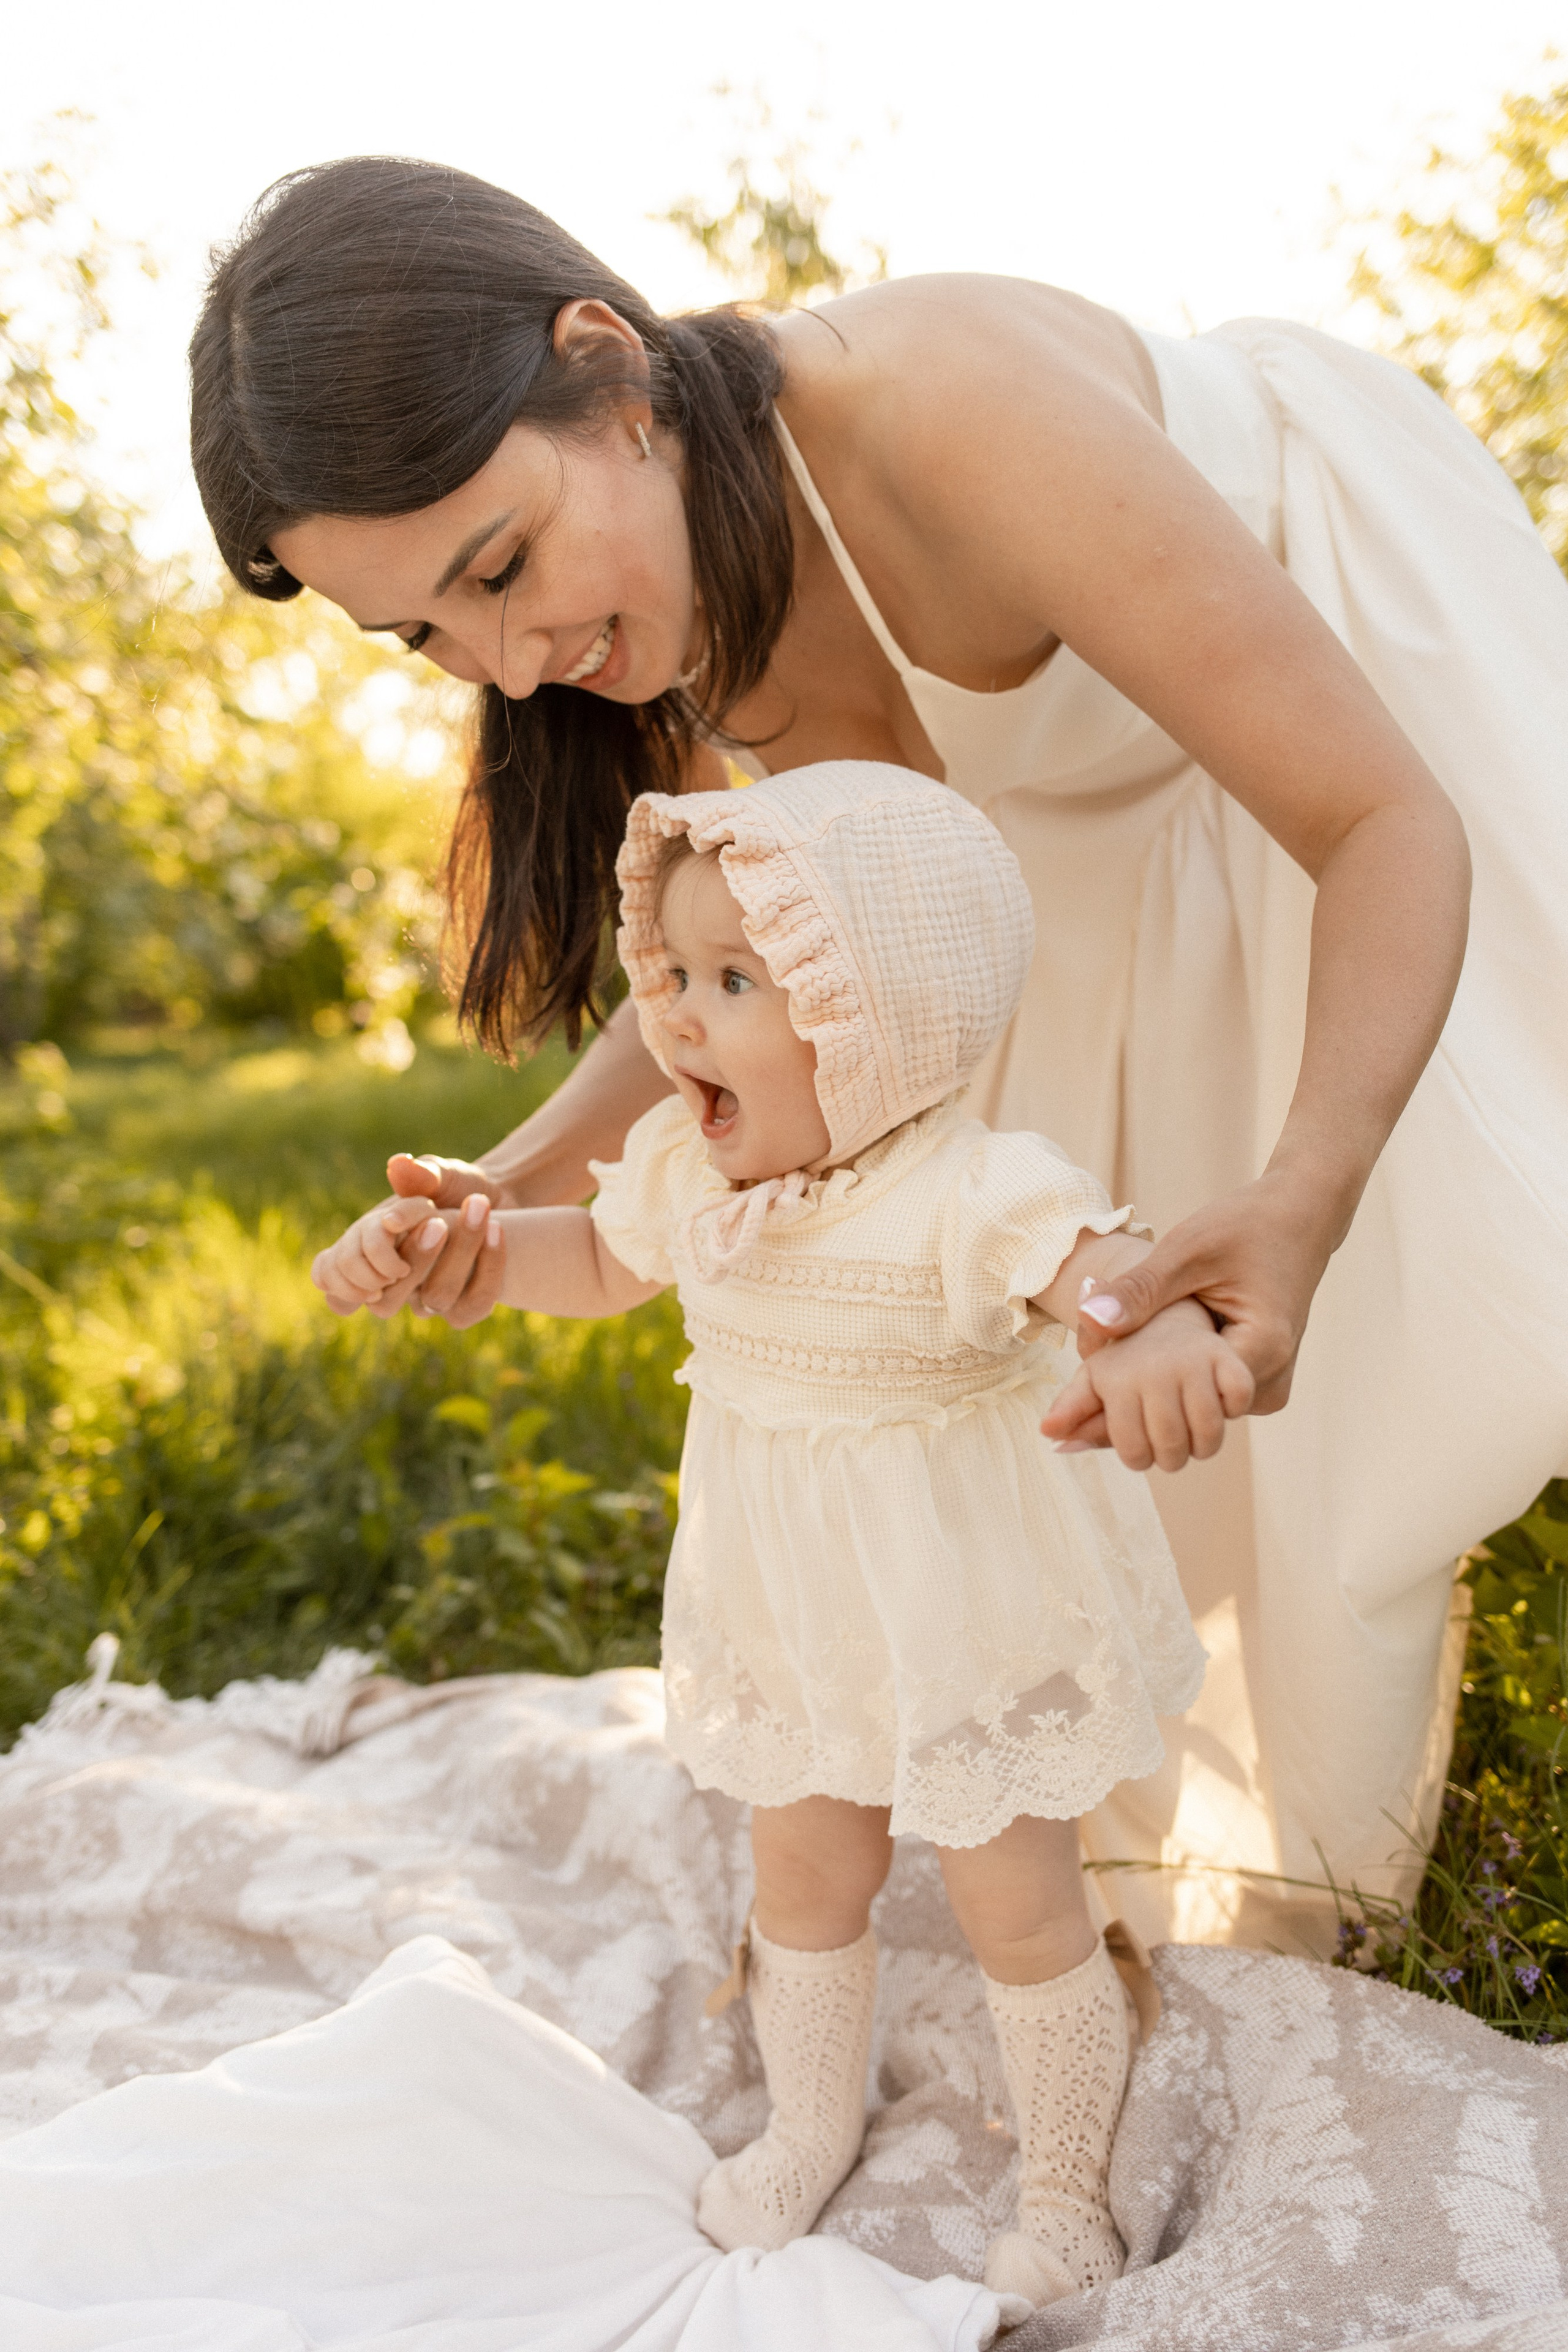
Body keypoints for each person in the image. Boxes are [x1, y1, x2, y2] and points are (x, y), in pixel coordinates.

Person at [193, 156, 1568, 1950]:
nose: (509, 664)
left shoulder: (943, 422)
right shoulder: (646, 595)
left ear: (611, 370)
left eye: (500, 568)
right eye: (431, 635)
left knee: (1401, 1331)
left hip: (1335, 728)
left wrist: (1301, 1195)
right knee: (1098, 1407)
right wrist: (508, 1186)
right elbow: (715, 975)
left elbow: (1383, 821)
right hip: (1074, 870)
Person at [323, 762, 1231, 2304]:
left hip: (966, 1611)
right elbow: (590, 1265)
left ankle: (1065, 2179)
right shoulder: (690, 1172)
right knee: (801, 1873)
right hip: (795, 1603)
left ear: (876, 1023)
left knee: (1016, 1893)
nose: (672, 1014)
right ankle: (811, 2119)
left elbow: (1104, 1271)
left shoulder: (968, 1189)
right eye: (667, 971)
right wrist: (450, 1250)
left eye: (735, 980)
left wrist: (1144, 1338)